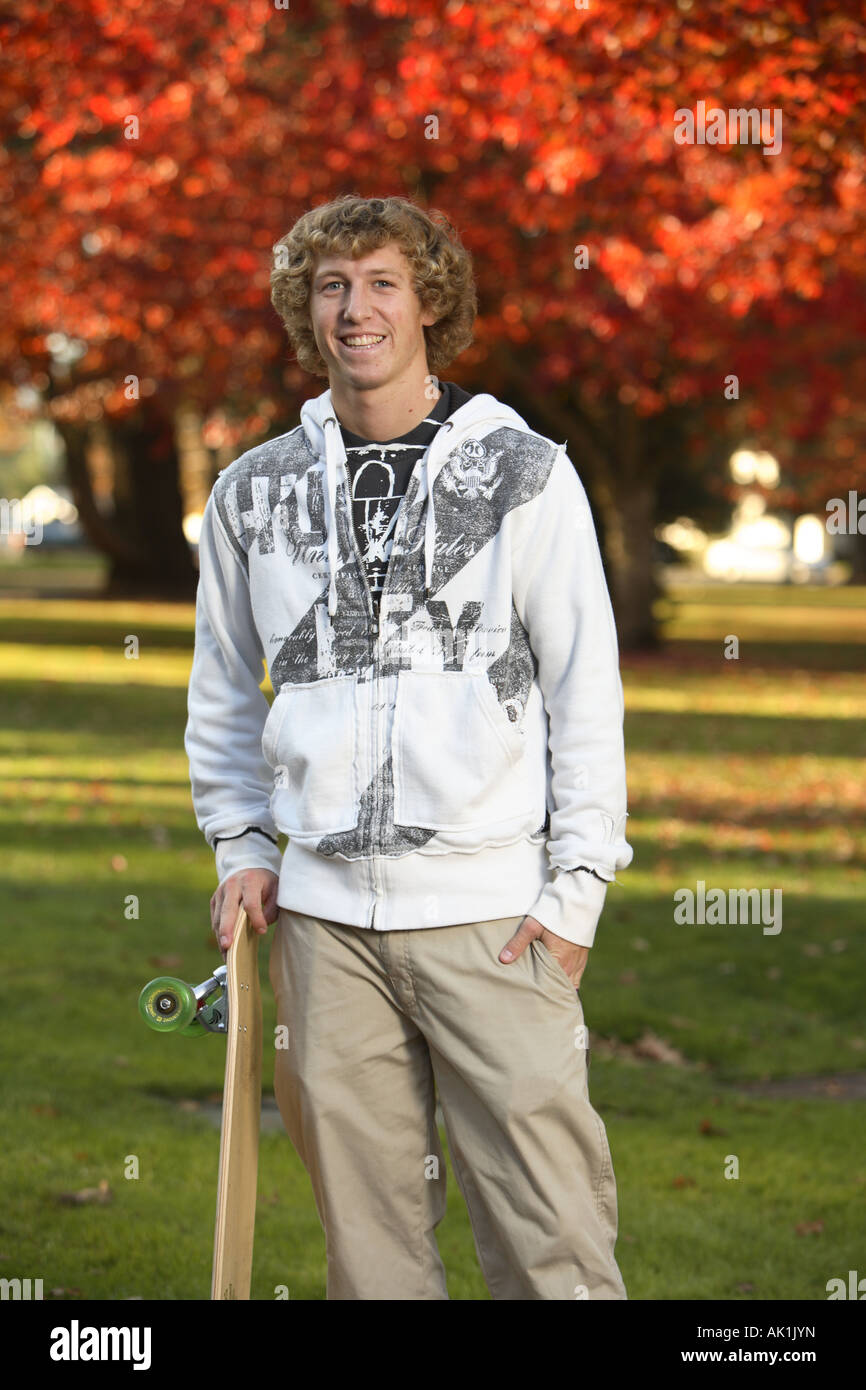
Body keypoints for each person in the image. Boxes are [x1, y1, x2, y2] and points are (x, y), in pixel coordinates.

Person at [184, 193, 634, 1300]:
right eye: (331, 286)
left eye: (382, 282)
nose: (355, 310)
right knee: (369, 1254)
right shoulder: (255, 490)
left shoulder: (522, 472)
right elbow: (221, 701)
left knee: (552, 1241)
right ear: (307, 308)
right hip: (323, 922)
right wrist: (242, 844)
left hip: (493, 914)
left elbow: (585, 688)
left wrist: (576, 887)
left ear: (428, 301)